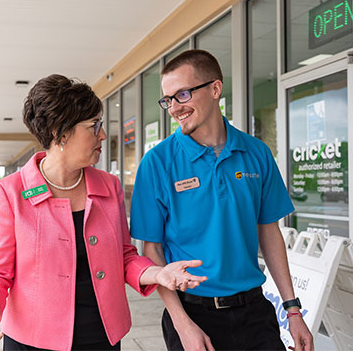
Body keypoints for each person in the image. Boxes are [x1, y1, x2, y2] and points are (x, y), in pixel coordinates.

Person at [0, 74, 208, 351]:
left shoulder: (109, 186)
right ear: (59, 133)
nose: (102, 133)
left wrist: (158, 274)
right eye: (93, 126)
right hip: (33, 340)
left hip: (101, 336)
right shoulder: (10, 193)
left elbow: (124, 256)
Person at [130, 50, 314, 351]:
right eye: (168, 100)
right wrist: (182, 324)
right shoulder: (157, 163)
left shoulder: (256, 153)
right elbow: (152, 250)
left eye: (183, 94)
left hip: (255, 310)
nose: (174, 108)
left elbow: (269, 233)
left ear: (215, 89)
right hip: (193, 315)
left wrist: (292, 309)